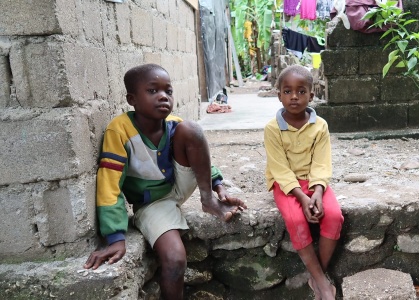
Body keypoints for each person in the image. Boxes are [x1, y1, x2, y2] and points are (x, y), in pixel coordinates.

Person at [83, 63, 246, 300]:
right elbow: (110, 186)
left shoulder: (174, 125)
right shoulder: (119, 131)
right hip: (152, 204)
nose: (163, 97)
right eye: (153, 91)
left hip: (182, 185)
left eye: (168, 91)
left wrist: (217, 188)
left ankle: (207, 201)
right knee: (175, 258)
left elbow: (203, 164)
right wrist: (115, 238)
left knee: (191, 129)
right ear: (132, 99)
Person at [264, 65, 344, 300]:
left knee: (334, 216)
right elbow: (280, 168)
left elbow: (321, 163)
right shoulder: (272, 129)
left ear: (312, 95)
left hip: (315, 183)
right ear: (279, 95)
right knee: (296, 219)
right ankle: (321, 282)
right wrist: (301, 196)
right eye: (287, 91)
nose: (294, 97)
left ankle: (317, 275)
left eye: (301, 91)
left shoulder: (320, 126)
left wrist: (318, 192)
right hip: (286, 185)